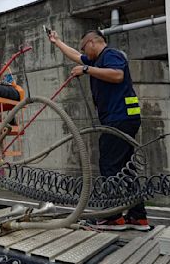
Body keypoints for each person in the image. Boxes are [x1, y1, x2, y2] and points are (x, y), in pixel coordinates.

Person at [48, 29, 149, 231]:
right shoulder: (97, 59)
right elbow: (76, 57)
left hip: (119, 118)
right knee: (125, 168)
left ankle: (112, 217)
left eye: (84, 47)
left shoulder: (111, 55)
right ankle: (137, 217)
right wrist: (57, 41)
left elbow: (117, 75)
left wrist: (86, 70)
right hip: (122, 119)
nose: (82, 51)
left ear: (93, 42)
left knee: (110, 166)